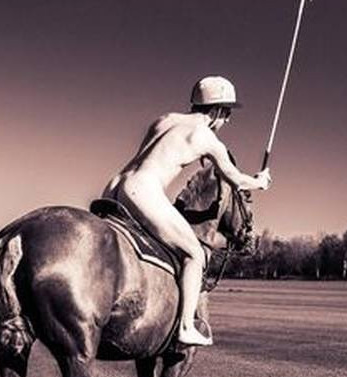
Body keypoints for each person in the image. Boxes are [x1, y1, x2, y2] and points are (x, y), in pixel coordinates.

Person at [102, 76, 271, 346]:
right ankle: (185, 326)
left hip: (114, 186)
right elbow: (236, 179)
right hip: (143, 189)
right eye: (227, 113)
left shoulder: (166, 119)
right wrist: (260, 182)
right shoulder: (208, 139)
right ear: (217, 110)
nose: (227, 120)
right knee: (194, 253)